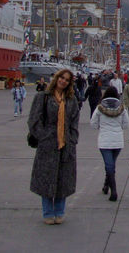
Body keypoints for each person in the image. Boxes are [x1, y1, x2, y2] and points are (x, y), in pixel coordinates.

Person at [27, 69, 80, 225]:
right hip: (48, 144)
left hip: (66, 144)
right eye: (61, 78)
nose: (63, 81)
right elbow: (34, 120)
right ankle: (48, 212)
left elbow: (74, 122)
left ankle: (60, 211)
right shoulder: (42, 97)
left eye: (67, 80)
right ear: (56, 79)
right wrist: (43, 136)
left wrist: (73, 139)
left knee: (64, 179)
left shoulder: (71, 100)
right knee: (46, 178)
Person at [90, 86, 129, 202]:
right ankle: (106, 185)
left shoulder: (99, 108)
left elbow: (93, 123)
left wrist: (101, 127)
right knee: (111, 164)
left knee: (109, 165)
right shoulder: (122, 108)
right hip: (117, 140)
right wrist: (118, 127)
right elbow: (126, 124)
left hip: (104, 140)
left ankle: (114, 191)